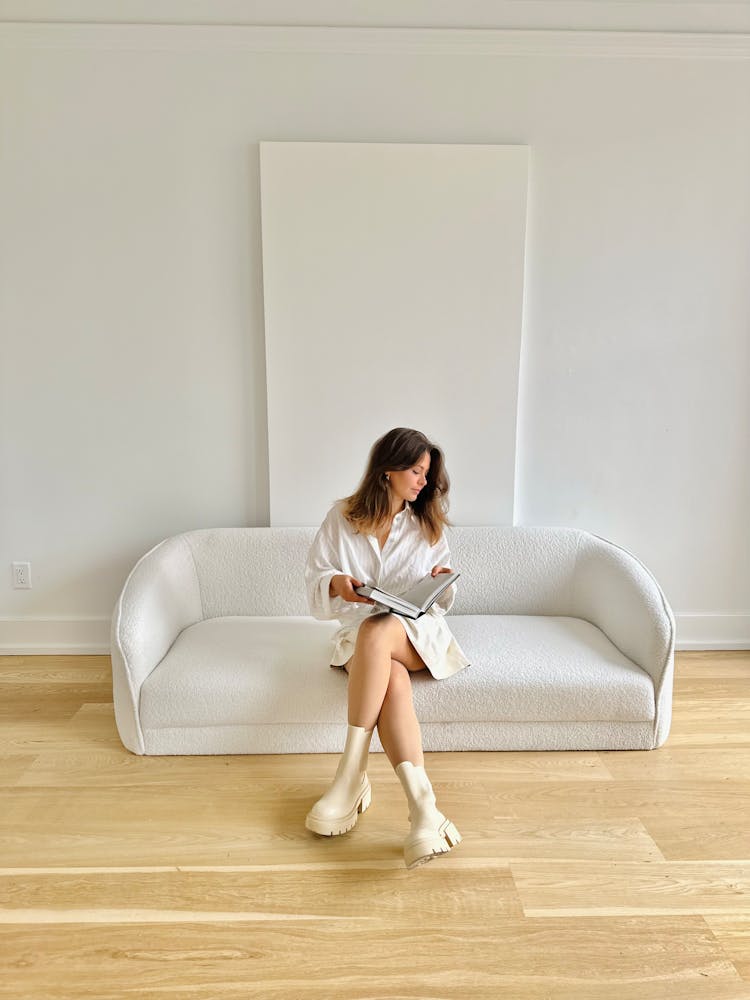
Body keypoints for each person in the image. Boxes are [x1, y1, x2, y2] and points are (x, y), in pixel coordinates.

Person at [303, 426, 471, 869]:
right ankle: (424, 810)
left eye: (425, 474)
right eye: (415, 471)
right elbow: (316, 580)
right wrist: (338, 584)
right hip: (360, 634)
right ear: (388, 470)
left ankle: (350, 776)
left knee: (380, 632)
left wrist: (440, 580)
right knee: (389, 674)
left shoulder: (425, 523)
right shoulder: (341, 517)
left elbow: (444, 599)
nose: (422, 482)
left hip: (415, 633)